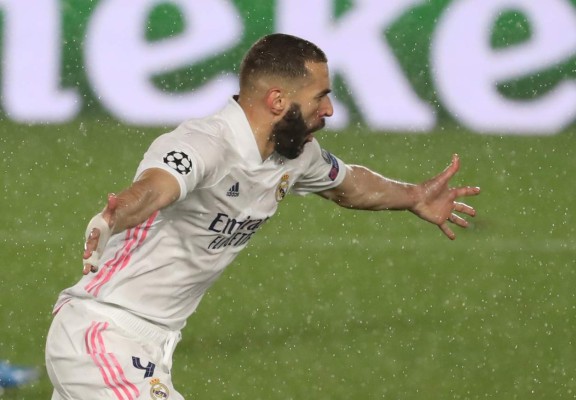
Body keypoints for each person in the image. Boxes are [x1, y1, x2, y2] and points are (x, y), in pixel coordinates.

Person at [45, 33, 480, 399]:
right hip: (103, 330)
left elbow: (350, 185)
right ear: (277, 99)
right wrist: (114, 216)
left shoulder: (296, 153)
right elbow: (156, 187)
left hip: (152, 343)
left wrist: (414, 196)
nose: (328, 110)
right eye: (320, 96)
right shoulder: (205, 143)